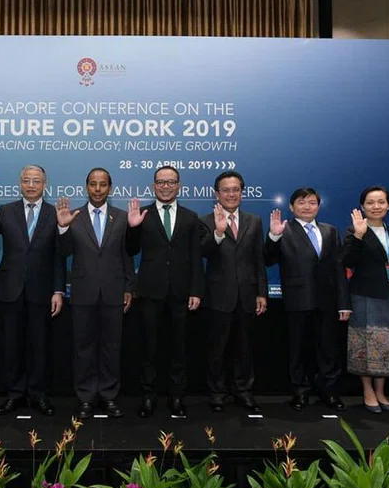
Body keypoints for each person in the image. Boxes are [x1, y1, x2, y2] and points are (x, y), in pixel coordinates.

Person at [0, 166, 64, 417]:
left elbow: (59, 256)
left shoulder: (53, 213)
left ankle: (38, 395)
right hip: (10, 290)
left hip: (42, 291)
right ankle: (14, 394)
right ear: (19, 183)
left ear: (45, 184)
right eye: (26, 180)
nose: (31, 185)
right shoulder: (6, 211)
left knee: (39, 346)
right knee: (12, 346)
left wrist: (58, 290)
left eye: (36, 181)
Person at [57, 167, 134, 419]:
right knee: (83, 347)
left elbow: (126, 256)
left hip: (114, 291)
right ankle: (86, 397)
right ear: (86, 187)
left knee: (112, 346)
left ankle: (109, 396)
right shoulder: (73, 216)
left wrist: (128, 287)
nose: (98, 189)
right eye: (93, 184)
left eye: (103, 184)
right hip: (83, 291)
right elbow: (63, 252)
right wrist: (62, 228)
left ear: (110, 188)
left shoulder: (122, 218)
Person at [126, 166, 203, 418]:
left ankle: (177, 397)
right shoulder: (142, 214)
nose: (166, 187)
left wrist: (196, 290)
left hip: (181, 293)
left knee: (178, 347)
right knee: (149, 347)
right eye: (161, 182)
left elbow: (196, 257)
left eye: (171, 182)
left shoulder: (191, 217)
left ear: (179, 186)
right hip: (150, 291)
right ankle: (148, 396)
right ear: (153, 186)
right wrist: (133, 228)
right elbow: (130, 250)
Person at [265, 187, 350, 411]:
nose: (307, 207)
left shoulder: (330, 231)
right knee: (298, 349)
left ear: (318, 206)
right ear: (292, 207)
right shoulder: (284, 229)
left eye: (312, 202)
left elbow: (338, 268)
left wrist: (343, 302)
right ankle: (300, 392)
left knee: (328, 349)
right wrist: (274, 236)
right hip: (297, 299)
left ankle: (328, 391)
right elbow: (267, 258)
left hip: (327, 302)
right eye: (301, 202)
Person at [199, 170, 267, 413]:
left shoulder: (254, 221)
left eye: (235, 189)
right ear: (217, 194)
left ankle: (243, 391)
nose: (231, 194)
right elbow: (202, 253)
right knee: (216, 348)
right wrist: (218, 232)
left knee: (244, 347)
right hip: (218, 295)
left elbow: (259, 258)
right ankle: (217, 393)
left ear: (242, 192)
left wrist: (262, 292)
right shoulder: (206, 220)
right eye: (225, 190)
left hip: (248, 295)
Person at [339, 186, 389, 413]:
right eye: (370, 202)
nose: (376, 206)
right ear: (363, 206)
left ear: (388, 206)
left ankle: (381, 391)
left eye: (381, 202)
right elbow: (346, 261)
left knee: (388, 345)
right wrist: (359, 236)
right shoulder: (354, 230)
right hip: (364, 295)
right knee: (365, 345)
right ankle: (367, 390)